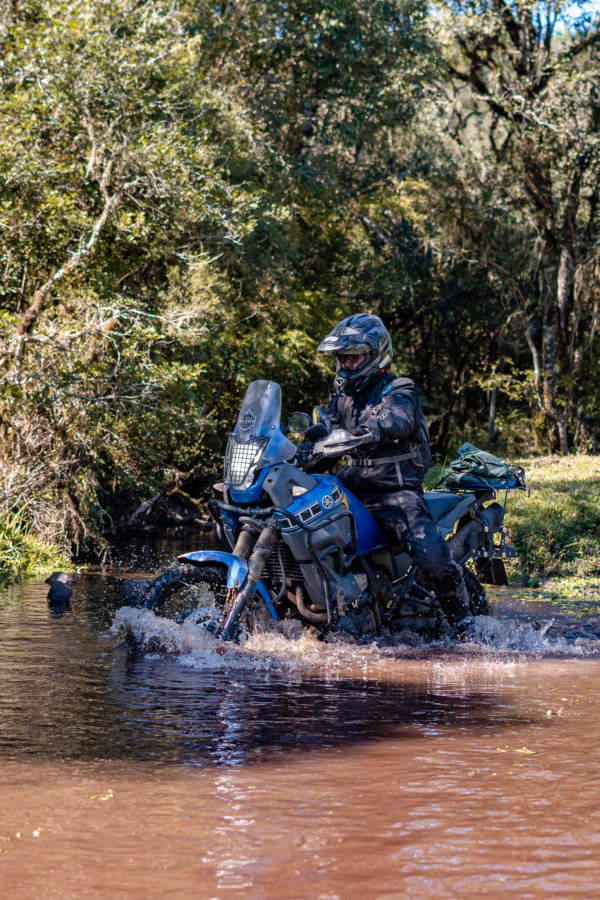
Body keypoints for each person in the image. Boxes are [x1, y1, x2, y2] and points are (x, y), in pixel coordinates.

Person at [316, 313, 471, 630]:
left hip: (394, 493)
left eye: (353, 356)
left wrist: (372, 427)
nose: (346, 363)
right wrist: (297, 455)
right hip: (350, 491)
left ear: (375, 355)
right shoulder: (342, 400)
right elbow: (326, 443)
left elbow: (398, 417)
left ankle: (468, 628)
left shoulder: (399, 388)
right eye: (342, 357)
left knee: (434, 561)